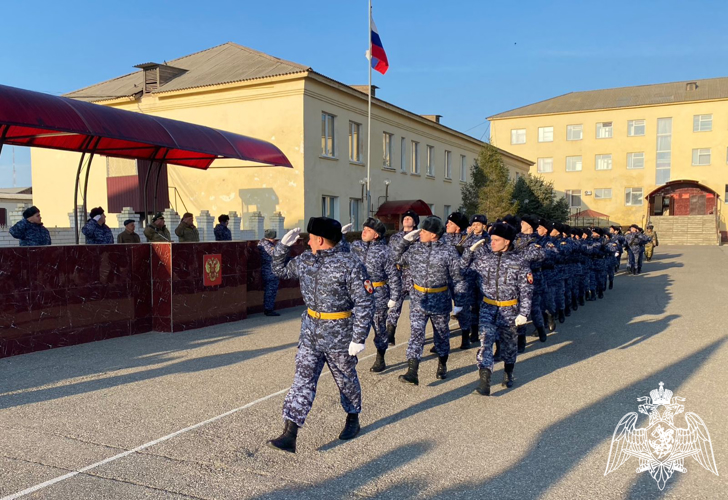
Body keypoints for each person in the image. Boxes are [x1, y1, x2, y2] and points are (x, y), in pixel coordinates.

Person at [266, 217, 374, 453]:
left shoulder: (351, 264)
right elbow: (279, 271)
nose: (307, 242)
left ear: (320, 240)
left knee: (345, 380)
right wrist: (281, 248)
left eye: (310, 238)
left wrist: (359, 337)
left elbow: (365, 302)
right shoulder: (306, 260)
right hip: (311, 333)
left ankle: (353, 417)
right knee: (302, 380)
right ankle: (289, 433)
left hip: (340, 336)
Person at [392, 216, 466, 384]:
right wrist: (404, 242)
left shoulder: (448, 251)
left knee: (441, 335)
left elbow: (458, 278)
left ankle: (442, 364)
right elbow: (396, 257)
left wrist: (460, 302)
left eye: (424, 231)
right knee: (416, 334)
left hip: (440, 298)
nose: (421, 234)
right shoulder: (415, 249)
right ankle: (412, 371)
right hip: (419, 298)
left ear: (434, 235)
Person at [464, 222, 532, 396]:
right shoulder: (484, 259)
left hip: (510, 310)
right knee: (485, 343)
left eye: (496, 240)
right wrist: (469, 252)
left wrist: (524, 313)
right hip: (488, 307)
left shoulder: (519, 261)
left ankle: (508, 372)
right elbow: (462, 270)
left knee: (509, 346)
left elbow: (526, 289)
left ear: (507, 242)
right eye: (491, 239)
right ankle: (484, 382)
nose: (491, 243)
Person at [347, 218, 401, 372]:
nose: (364, 231)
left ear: (376, 235)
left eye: (368, 230)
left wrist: (394, 297)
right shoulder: (355, 246)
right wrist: (339, 236)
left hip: (378, 294)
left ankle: (380, 357)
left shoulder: (385, 251)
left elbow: (393, 275)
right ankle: (350, 359)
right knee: (353, 327)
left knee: (379, 328)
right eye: (364, 228)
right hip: (357, 294)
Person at [385, 209, 420, 345]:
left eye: (410, 218)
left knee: (416, 307)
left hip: (413, 273)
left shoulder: (419, 237)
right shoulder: (395, 237)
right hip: (398, 273)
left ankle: (416, 335)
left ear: (415, 222)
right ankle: (390, 333)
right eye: (405, 218)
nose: (406, 219)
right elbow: (391, 254)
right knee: (395, 304)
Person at [461, 214, 489, 348]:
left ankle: (482, 330)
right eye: (473, 224)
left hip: (484, 277)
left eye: (478, 224)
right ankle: (472, 332)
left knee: (482, 305)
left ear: (484, 226)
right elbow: (460, 253)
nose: (475, 227)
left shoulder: (489, 239)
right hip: (470, 276)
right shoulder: (466, 239)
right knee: (470, 305)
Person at [258, 229, 280, 316]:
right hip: (269, 271)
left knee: (271, 290)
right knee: (270, 290)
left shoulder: (264, 243)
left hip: (270, 270)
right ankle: (268, 309)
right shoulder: (267, 244)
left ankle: (269, 308)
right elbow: (274, 253)